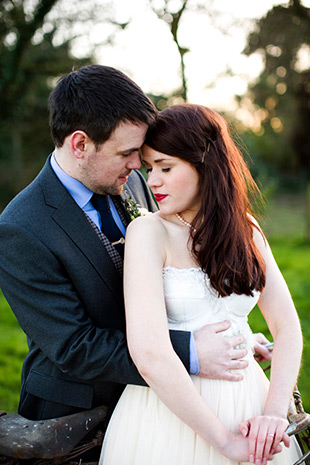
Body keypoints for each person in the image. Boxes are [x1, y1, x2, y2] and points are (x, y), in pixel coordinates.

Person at [0, 66, 269, 461]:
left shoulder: (134, 182)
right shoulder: (19, 228)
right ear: (80, 145)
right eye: (127, 154)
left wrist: (232, 341)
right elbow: (74, 346)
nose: (137, 166)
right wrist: (192, 350)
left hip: (163, 403)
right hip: (76, 416)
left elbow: (165, 281)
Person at [99, 104, 303, 465]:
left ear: (204, 163)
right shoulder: (149, 232)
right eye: (149, 169)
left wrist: (272, 415)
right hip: (169, 418)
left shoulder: (247, 230)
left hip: (249, 406)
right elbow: (148, 353)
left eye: (165, 167)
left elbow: (286, 327)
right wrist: (223, 442)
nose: (152, 182)